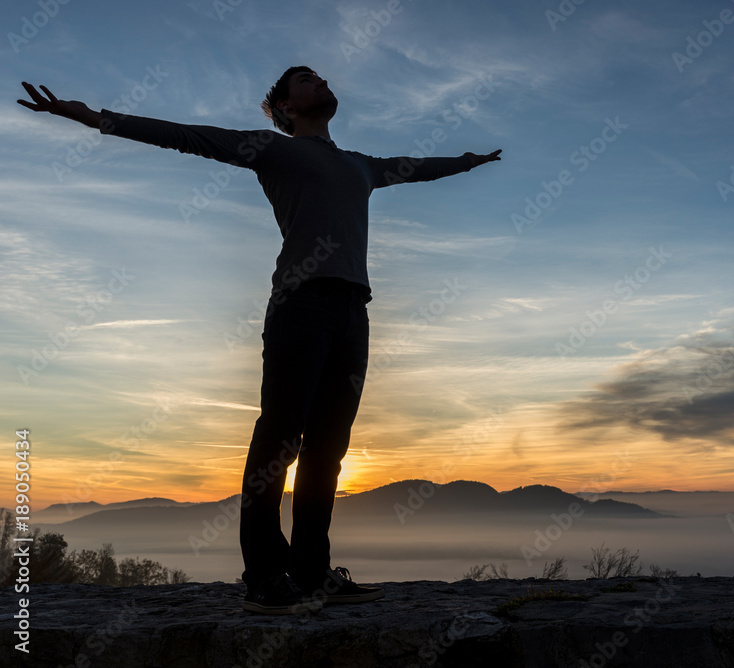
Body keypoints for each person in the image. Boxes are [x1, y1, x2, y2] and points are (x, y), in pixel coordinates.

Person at [18, 66, 501, 614]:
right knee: (280, 441)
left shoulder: (360, 166)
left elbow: (413, 169)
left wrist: (467, 162)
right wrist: (94, 118)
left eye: (320, 76)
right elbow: (188, 135)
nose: (320, 81)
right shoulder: (273, 149)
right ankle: (266, 579)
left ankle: (313, 573)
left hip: (353, 311)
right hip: (301, 306)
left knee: (328, 450)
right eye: (305, 79)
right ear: (286, 108)